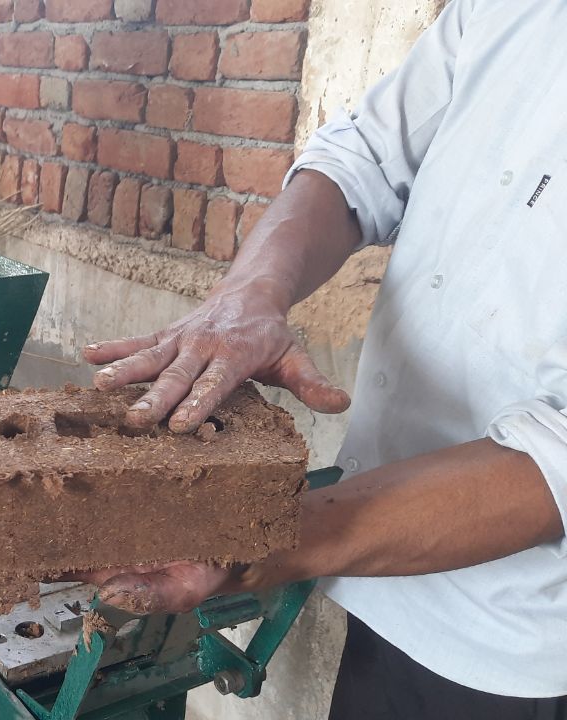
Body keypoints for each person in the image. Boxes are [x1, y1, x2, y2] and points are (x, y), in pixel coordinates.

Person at [76, 1, 567, 718]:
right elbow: (364, 153)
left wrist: (268, 537)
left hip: (522, 641)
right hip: (389, 576)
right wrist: (247, 296)